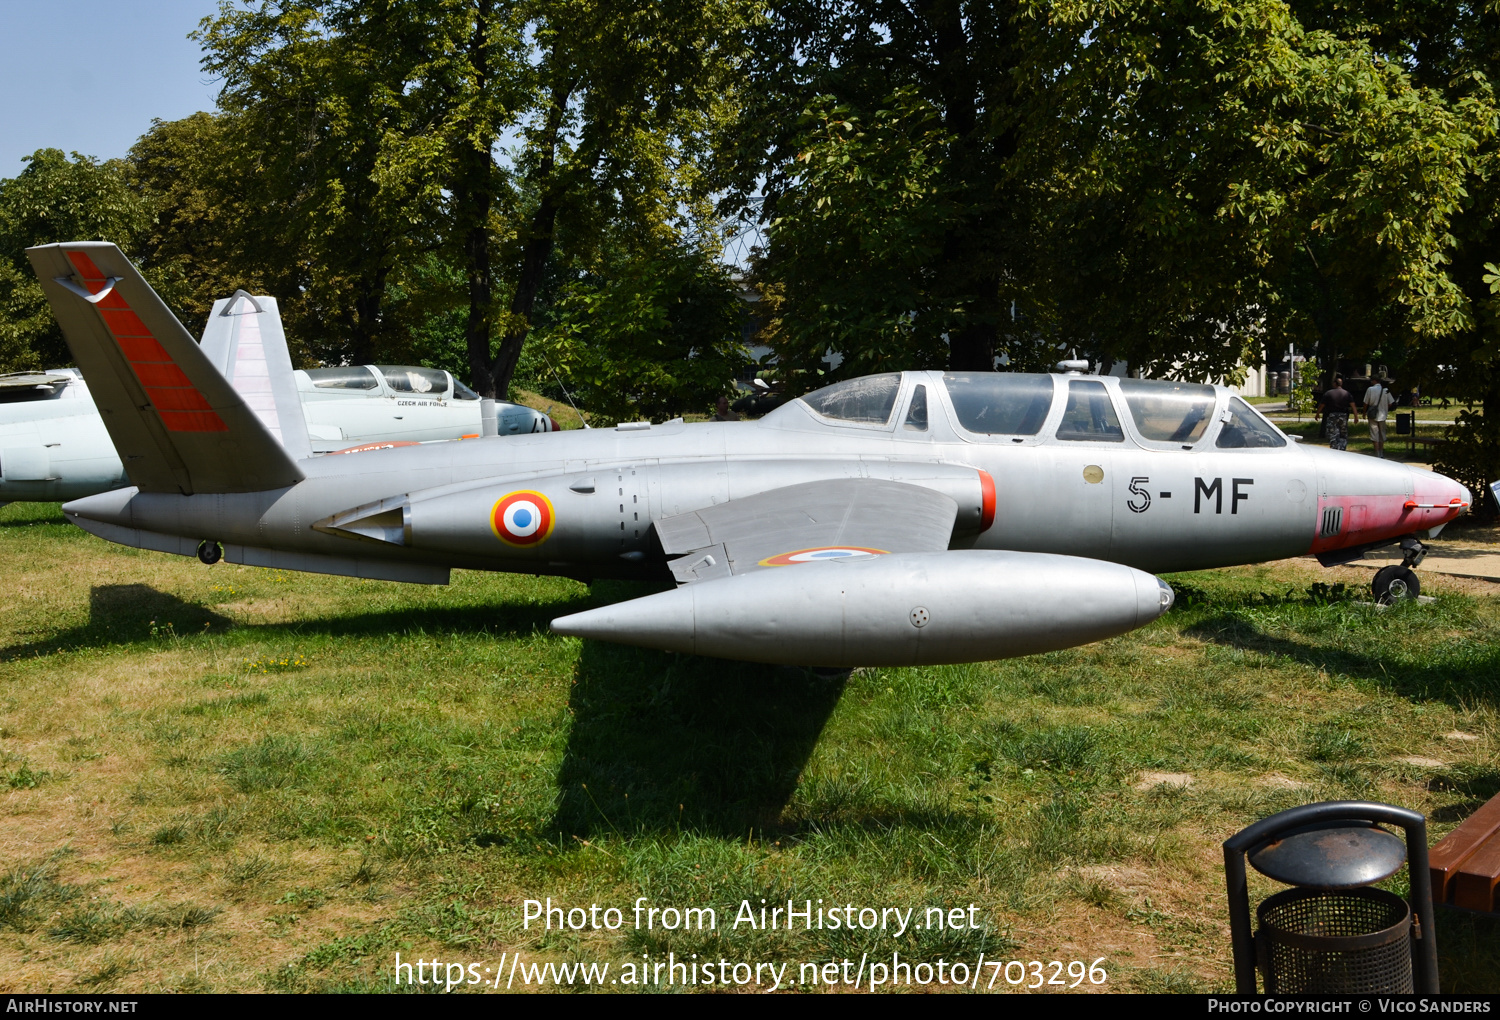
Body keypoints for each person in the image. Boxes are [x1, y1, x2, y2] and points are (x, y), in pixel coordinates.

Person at [1316, 375, 1358, 451]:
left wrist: (1317, 413)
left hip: (1332, 415)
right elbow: (1353, 406)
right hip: (1343, 415)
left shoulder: (1329, 393)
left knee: (1333, 433)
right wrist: (1356, 416)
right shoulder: (1347, 393)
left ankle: (1334, 449)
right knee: (1343, 433)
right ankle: (1342, 449)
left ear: (1335, 383)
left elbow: (1322, 405)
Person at [1363, 376, 1397, 458]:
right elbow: (1390, 403)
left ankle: (1377, 454)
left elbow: (1366, 403)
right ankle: (1381, 453)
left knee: (1374, 434)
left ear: (1374, 380)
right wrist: (1385, 409)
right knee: (1382, 434)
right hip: (1383, 415)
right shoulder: (1386, 390)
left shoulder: (1370, 389)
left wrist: (1364, 412)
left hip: (1372, 414)